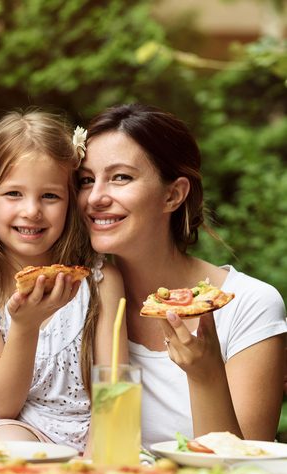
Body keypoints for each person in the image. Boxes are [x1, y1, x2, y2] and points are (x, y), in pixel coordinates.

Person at [77, 102, 287, 449]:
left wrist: (205, 375)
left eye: (120, 177)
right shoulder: (73, 299)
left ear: (173, 195)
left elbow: (244, 467)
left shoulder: (249, 305)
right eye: (86, 180)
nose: (96, 197)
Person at [0, 110, 127, 457]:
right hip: (14, 432)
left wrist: (93, 467)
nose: (31, 211)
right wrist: (25, 325)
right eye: (13, 193)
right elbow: (3, 404)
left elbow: (114, 392)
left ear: (70, 203)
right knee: (15, 451)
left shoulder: (100, 280)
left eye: (50, 196)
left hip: (91, 436)